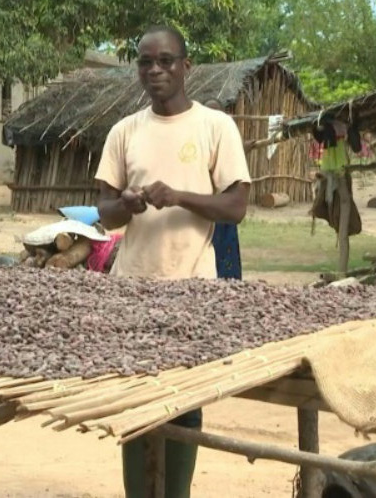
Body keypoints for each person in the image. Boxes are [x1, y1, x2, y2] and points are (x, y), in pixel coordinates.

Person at [95, 25, 251, 497]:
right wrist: (128, 204)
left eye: (166, 61)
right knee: (136, 398)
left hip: (192, 289)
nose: (156, 70)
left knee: (185, 401)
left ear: (187, 67)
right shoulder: (125, 132)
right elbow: (103, 212)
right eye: (146, 61)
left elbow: (236, 207)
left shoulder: (215, 127)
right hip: (131, 289)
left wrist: (180, 196)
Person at [204, 98, 243, 280]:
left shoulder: (229, 139)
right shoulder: (197, 142)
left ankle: (230, 285)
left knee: (226, 252)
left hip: (224, 208)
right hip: (202, 208)